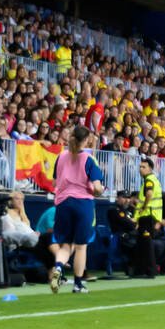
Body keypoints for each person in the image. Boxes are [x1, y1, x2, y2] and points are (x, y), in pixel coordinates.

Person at [49, 124, 105, 294]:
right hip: (82, 203)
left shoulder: (61, 156)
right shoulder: (88, 159)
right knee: (81, 246)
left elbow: (54, 183)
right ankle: (78, 284)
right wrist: (100, 190)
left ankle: (58, 267)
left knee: (65, 245)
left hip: (63, 203)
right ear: (86, 140)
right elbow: (97, 187)